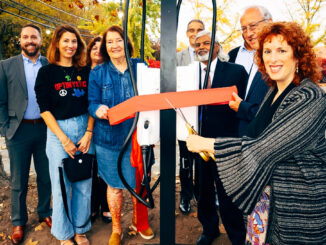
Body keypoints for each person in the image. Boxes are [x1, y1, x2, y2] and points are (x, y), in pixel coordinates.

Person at [187, 21, 326, 245]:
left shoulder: (308, 97)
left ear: (298, 56)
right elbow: (251, 136)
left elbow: (264, 147)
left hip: (297, 208)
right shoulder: (273, 92)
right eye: (267, 51)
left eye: (282, 50)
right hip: (264, 204)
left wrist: (207, 144)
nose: (273, 58)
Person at [88, 25, 154, 245]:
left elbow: (154, 93)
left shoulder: (140, 66)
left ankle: (139, 222)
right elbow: (92, 103)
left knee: (140, 183)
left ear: (126, 42)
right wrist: (98, 110)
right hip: (109, 139)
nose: (114, 45)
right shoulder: (98, 72)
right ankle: (116, 228)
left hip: (139, 137)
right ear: (105, 47)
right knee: (114, 186)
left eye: (118, 40)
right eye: (109, 42)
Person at [35, 24, 94, 245]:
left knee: (83, 183)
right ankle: (63, 234)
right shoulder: (47, 72)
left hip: (84, 128)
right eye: (66, 41)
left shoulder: (85, 71)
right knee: (61, 186)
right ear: (57, 44)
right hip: (58, 130)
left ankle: (80, 229)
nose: (70, 45)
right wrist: (64, 139)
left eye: (74, 41)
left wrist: (89, 132)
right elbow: (44, 109)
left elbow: (92, 104)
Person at [194, 30, 248, 245]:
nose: (201, 47)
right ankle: (209, 229)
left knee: (228, 193)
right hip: (198, 141)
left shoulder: (236, 71)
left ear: (217, 46)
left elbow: (243, 106)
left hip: (226, 142)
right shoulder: (191, 73)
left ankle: (236, 236)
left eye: (206, 43)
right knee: (203, 190)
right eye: (198, 44)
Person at [0, 23, 52, 245]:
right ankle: (19, 221)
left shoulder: (50, 65)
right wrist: (5, 128)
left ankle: (44, 211)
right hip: (18, 131)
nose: (30, 40)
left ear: (41, 41)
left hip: (44, 128)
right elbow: (1, 100)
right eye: (25, 37)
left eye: (34, 37)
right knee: (19, 180)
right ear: (20, 40)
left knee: (45, 176)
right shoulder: (6, 66)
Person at [228, 6, 271, 137]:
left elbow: (273, 113)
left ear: (269, 23)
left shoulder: (277, 62)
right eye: (244, 29)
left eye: (253, 26)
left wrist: (242, 107)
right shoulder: (257, 58)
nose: (248, 34)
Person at [176, 19, 205, 214]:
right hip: (184, 118)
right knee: (186, 161)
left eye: (200, 30)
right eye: (192, 30)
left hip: (205, 116)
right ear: (187, 33)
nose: (195, 33)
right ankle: (186, 195)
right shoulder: (178, 58)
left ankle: (203, 194)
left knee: (204, 160)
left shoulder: (212, 54)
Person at [86, 36, 112, 224]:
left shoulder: (109, 72)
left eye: (100, 48)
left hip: (103, 126)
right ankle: (92, 205)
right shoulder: (82, 71)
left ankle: (106, 206)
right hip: (86, 125)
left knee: (104, 169)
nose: (97, 50)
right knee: (89, 169)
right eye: (93, 47)